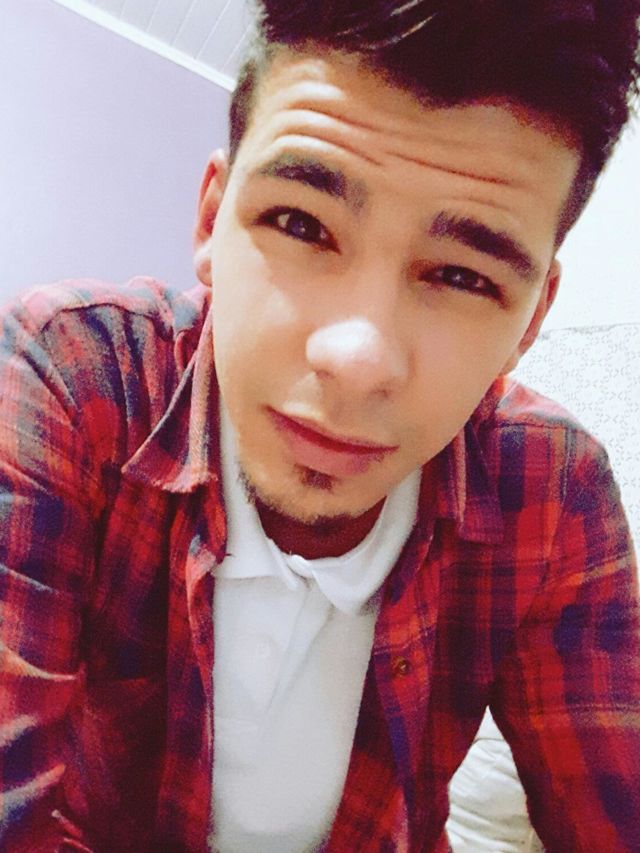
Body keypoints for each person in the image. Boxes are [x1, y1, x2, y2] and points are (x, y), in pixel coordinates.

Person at [1, 0, 639, 850]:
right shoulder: (75, 376)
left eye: (465, 276)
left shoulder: (553, 490)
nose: (358, 357)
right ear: (211, 219)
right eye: (300, 223)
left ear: (531, 318)